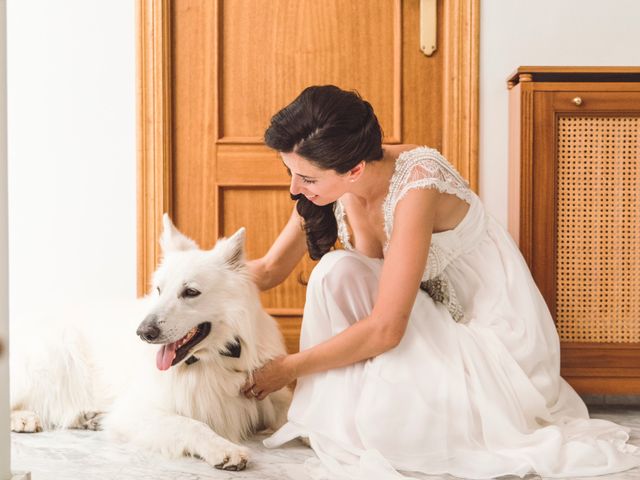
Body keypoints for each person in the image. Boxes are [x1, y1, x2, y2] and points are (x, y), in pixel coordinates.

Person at [241, 85, 640, 479]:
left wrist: (289, 368)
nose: (294, 188)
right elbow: (269, 270)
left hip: (487, 334)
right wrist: (185, 291)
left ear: (355, 169)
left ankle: (381, 409)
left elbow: (386, 329)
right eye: (290, 172)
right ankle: (355, 409)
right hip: (421, 320)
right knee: (336, 271)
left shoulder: (417, 181)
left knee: (392, 433)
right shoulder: (326, 182)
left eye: (306, 178)